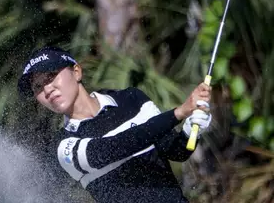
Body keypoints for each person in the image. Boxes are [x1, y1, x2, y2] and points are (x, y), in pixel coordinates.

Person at [18, 46, 213, 203]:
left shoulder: (131, 99)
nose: (47, 89)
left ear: (76, 72)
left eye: (51, 75)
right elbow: (115, 147)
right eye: (38, 87)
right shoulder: (63, 146)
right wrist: (179, 113)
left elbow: (176, 152)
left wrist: (190, 128)